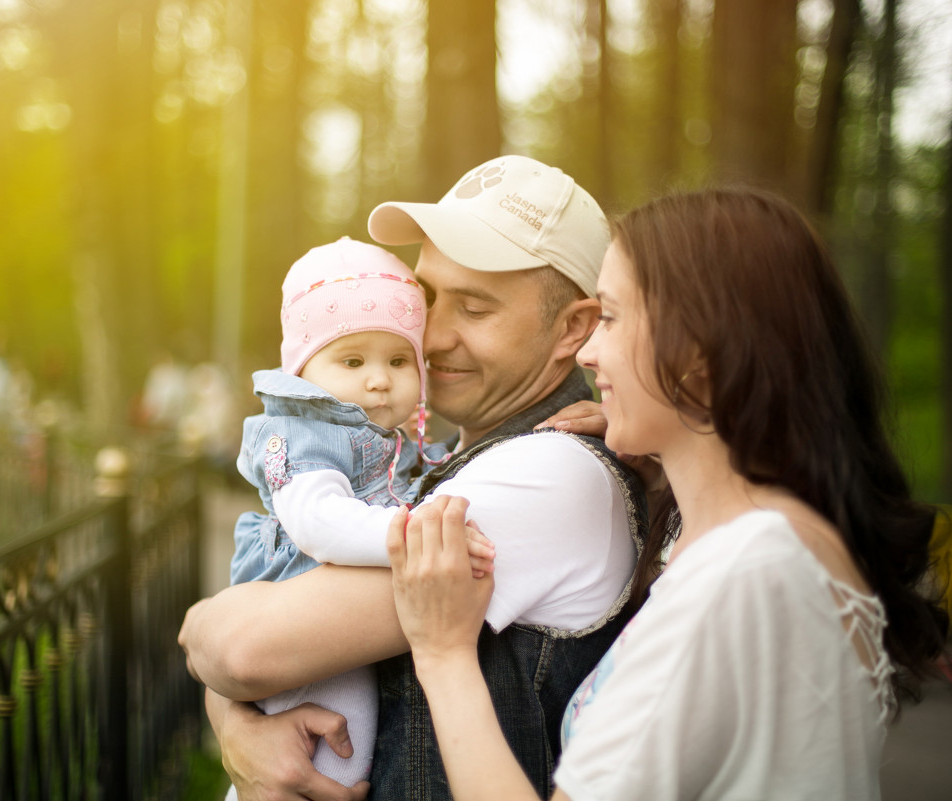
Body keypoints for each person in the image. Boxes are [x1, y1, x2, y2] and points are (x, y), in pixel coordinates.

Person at [386, 187, 951, 801]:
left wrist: (443, 656)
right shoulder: (762, 542)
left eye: (610, 317)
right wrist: (661, 455)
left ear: (700, 350)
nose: (590, 351)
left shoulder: (743, 575)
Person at [179, 155, 648, 800]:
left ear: (573, 328)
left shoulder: (554, 476)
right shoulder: (435, 457)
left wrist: (211, 647)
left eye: (475, 309)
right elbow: (244, 651)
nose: (430, 338)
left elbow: (243, 651)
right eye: (428, 298)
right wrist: (238, 727)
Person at [225, 236, 480, 792]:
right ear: (304, 370)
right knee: (334, 748)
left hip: (333, 623)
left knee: (340, 743)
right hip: (297, 613)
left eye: (397, 360)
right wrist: (413, 532)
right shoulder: (300, 435)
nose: (379, 379)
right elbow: (318, 521)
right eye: (352, 360)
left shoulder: (386, 438)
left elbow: (430, 474)